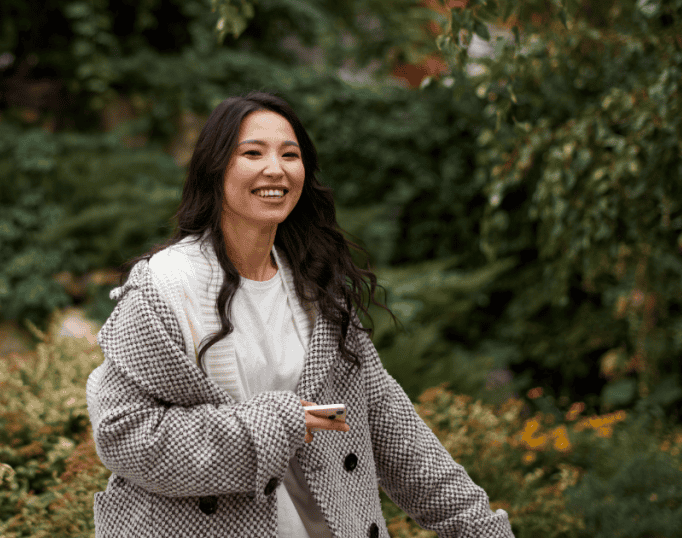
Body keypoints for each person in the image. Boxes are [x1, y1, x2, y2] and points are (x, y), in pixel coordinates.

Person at [85, 91, 514, 538]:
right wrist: (278, 422)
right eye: (253, 153)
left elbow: (393, 430)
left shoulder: (316, 290)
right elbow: (124, 434)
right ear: (215, 169)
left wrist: (480, 528)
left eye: (290, 154)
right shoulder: (164, 285)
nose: (276, 168)